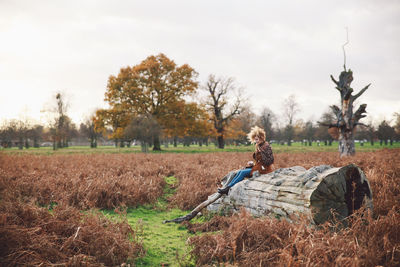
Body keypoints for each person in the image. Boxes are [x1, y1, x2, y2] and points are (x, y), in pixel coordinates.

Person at [218, 126, 274, 195]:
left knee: (242, 173)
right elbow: (260, 161)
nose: (256, 141)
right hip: (258, 167)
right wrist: (252, 164)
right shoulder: (259, 146)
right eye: (255, 140)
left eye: (257, 139)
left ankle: (228, 189)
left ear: (262, 138)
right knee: (240, 172)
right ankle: (227, 187)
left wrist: (261, 152)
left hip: (265, 170)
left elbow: (270, 161)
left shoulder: (266, 146)